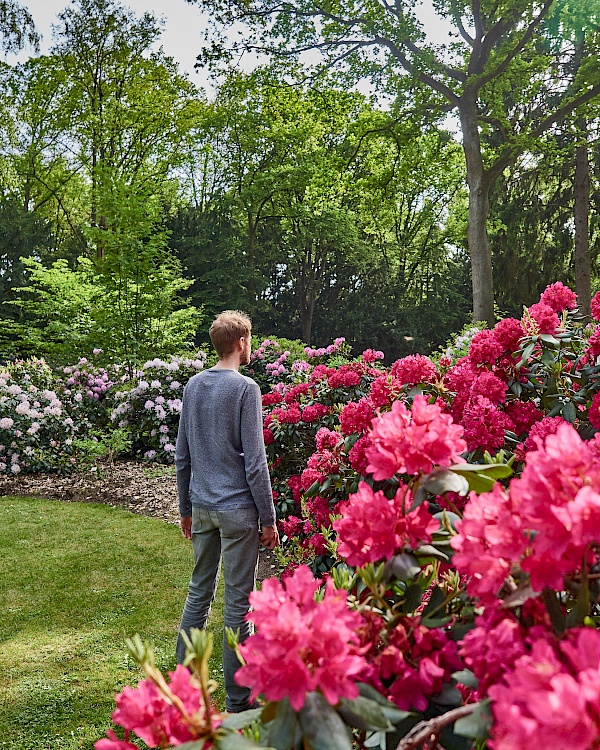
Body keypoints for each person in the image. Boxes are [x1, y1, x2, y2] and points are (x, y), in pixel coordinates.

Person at [174, 310, 279, 712]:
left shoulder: (193, 386)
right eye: (249, 341)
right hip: (237, 512)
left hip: (202, 506)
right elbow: (256, 461)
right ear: (241, 343)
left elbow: (182, 455)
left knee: (198, 594)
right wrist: (268, 518)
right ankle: (238, 699)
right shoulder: (246, 389)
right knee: (238, 604)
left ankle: (183, 689)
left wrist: (185, 507)